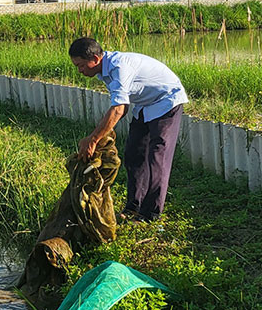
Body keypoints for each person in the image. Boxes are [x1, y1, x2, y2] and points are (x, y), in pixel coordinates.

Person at [69, 37, 188, 223]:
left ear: (95, 58)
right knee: (134, 154)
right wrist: (96, 136)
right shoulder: (104, 70)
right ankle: (133, 207)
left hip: (166, 101)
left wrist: (93, 139)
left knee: (157, 158)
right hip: (145, 104)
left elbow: (119, 108)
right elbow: (119, 107)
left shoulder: (119, 67)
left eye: (81, 65)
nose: (80, 70)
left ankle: (150, 214)